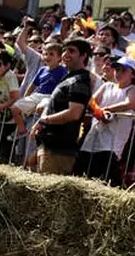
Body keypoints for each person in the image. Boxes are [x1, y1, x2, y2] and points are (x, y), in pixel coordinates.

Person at [30, 37, 93, 175]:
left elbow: (74, 113)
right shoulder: (69, 77)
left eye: (72, 51)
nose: (66, 54)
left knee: (46, 194)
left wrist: (44, 120)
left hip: (59, 149)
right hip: (48, 145)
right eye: (64, 50)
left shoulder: (80, 81)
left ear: (83, 56)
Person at [74, 55, 135, 187]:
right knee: (86, 168)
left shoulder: (132, 89)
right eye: (117, 70)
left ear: (132, 74)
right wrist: (99, 112)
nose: (118, 73)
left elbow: (130, 103)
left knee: (106, 175)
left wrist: (107, 109)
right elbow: (92, 101)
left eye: (123, 70)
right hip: (95, 135)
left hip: (113, 142)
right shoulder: (107, 86)